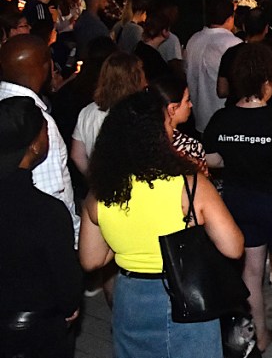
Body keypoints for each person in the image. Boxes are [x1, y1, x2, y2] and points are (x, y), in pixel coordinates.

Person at [78, 91, 244, 358]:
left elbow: (91, 260)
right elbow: (234, 247)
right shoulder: (189, 186)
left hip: (129, 298)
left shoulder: (100, 192)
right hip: (182, 293)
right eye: (167, 125)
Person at [204, 42, 272, 352]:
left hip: (239, 203)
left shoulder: (220, 120)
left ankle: (260, 337)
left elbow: (212, 161)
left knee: (251, 272)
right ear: (268, 82)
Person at [0, 96, 81, 358]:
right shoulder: (48, 212)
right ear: (34, 145)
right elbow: (67, 286)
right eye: (46, 131)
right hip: (36, 335)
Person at [0, 35, 78, 236]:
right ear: (47, 67)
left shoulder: (6, 107)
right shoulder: (38, 123)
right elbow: (51, 190)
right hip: (43, 239)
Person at [69, 52, 147, 177]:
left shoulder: (87, 111)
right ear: (135, 78)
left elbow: (77, 155)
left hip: (102, 188)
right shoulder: (139, 112)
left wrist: (94, 180)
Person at [184, 0, 240, 133]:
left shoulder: (193, 39)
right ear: (230, 18)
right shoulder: (233, 44)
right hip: (225, 119)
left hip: (199, 116)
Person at [149, 75, 207, 174]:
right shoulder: (190, 147)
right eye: (187, 100)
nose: (190, 105)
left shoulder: (144, 140)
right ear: (172, 109)